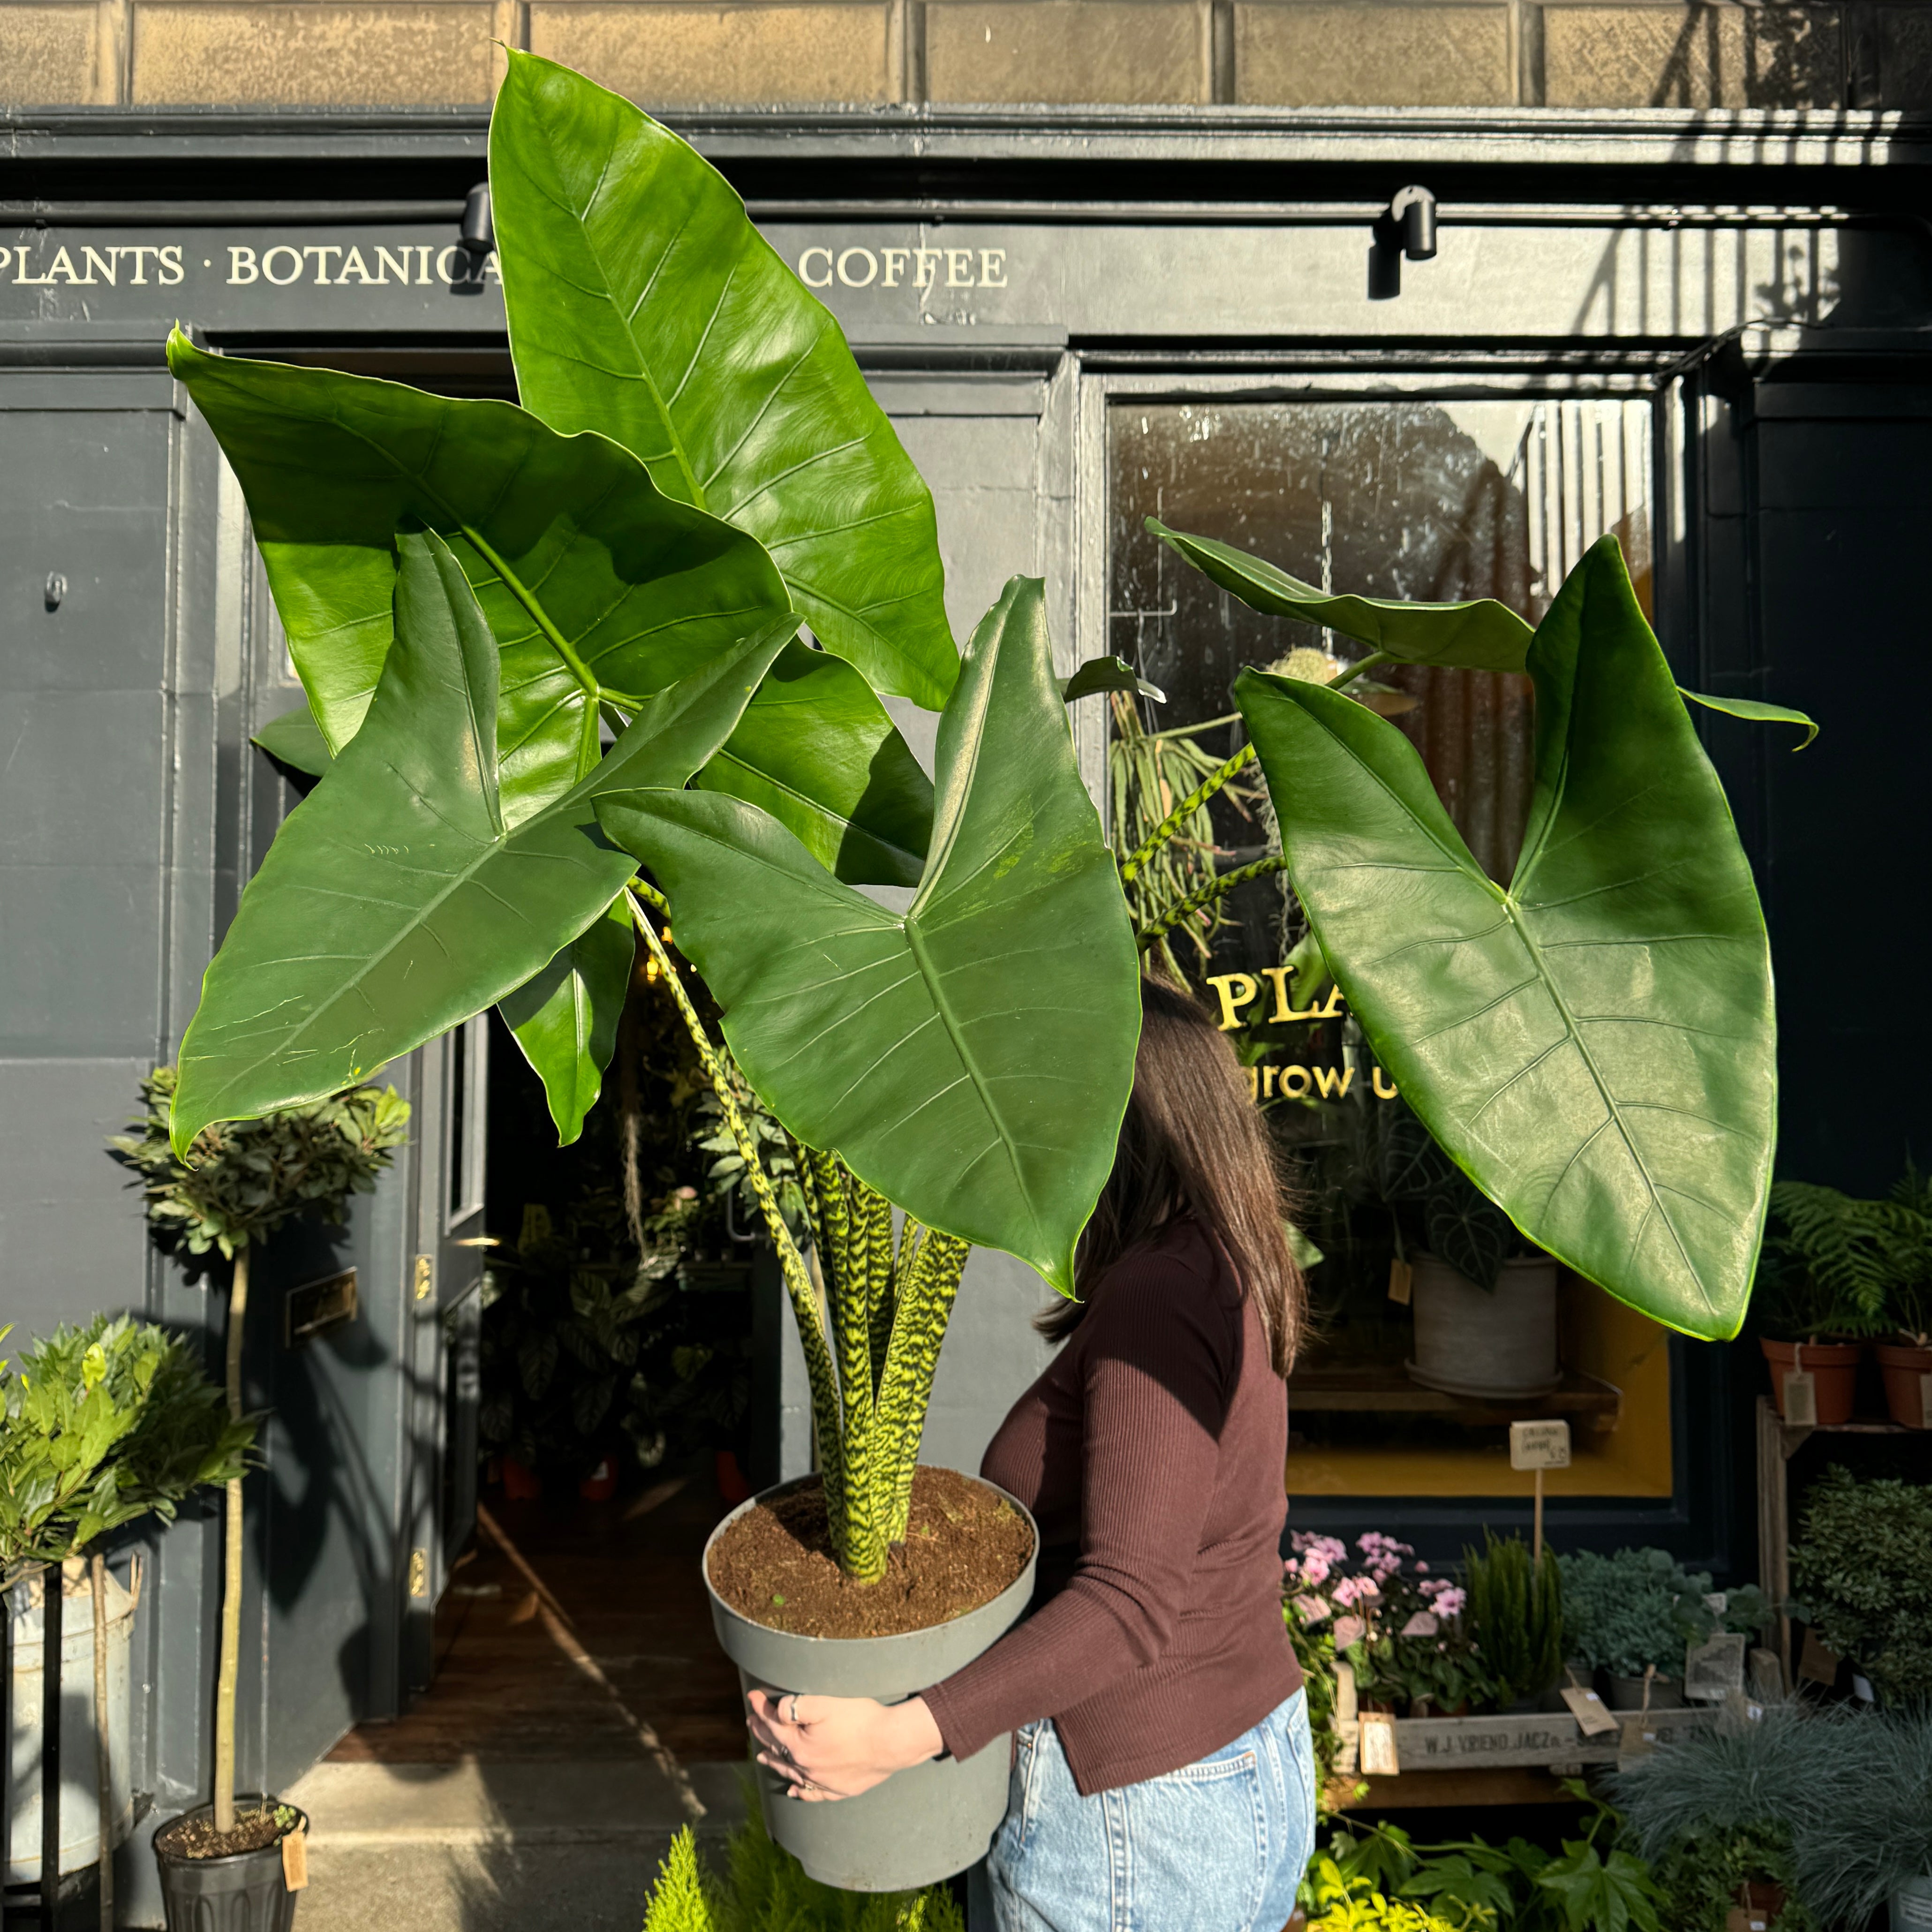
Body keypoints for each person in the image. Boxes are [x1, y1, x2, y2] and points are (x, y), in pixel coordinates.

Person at [747, 976, 1314, 1932]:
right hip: (1227, 1754)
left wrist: (898, 1733)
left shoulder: (1161, 1296)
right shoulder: (1220, 1263)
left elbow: (1128, 1601)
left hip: (1134, 1807)